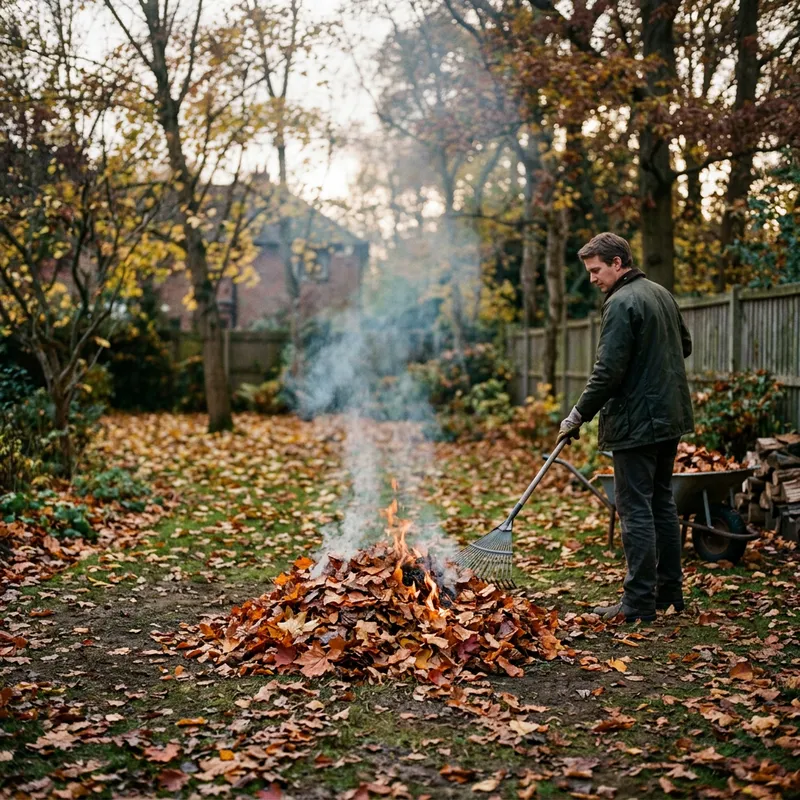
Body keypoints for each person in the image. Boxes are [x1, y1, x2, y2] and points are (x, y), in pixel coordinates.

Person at [557, 232, 694, 624]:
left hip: (638, 421)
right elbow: (683, 346)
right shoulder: (661, 293)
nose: (592, 279)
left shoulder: (620, 302)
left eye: (596, 270)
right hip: (669, 417)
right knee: (662, 503)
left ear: (618, 263)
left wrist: (577, 414)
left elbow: (608, 372)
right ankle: (669, 594)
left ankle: (637, 603)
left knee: (634, 509)